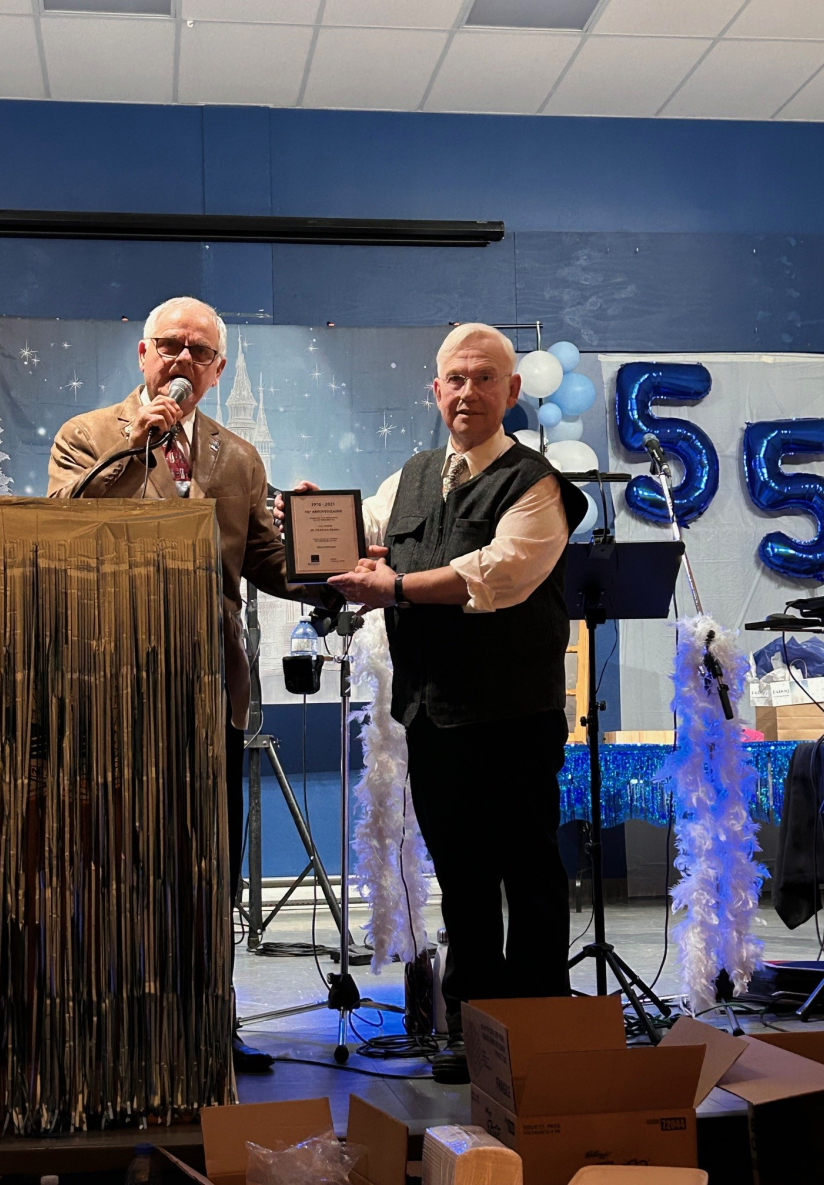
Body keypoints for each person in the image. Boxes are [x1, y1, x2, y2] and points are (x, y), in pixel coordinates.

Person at [282, 323, 587, 1083]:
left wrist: (395, 586)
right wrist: (322, 520)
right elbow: (366, 534)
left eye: (483, 378)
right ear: (435, 390)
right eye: (455, 378)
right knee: (463, 880)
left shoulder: (537, 484)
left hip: (513, 718)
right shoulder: (412, 476)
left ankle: (538, 1030)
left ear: (512, 391)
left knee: (529, 876)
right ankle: (473, 1034)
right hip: (433, 714)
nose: (467, 392)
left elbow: (499, 573)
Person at [47, 296, 336, 1073]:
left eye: (198, 351)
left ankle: (209, 1022)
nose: (181, 358)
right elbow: (59, 524)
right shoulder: (86, 435)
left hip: (209, 688)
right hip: (106, 685)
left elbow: (266, 562)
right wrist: (134, 448)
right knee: (111, 861)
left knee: (207, 865)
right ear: (143, 354)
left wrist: (323, 556)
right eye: (169, 344)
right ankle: (109, 1029)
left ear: (217, 370)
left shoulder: (237, 457)